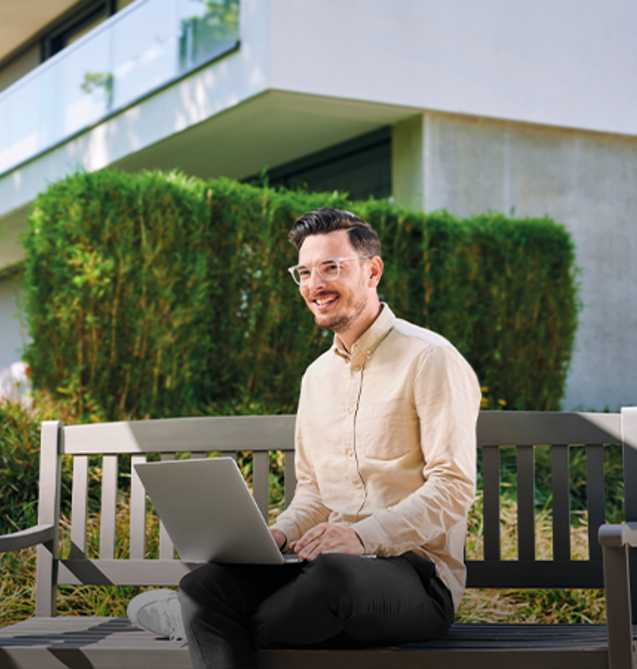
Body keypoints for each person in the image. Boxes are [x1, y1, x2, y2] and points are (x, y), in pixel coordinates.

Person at [128, 208, 480, 668]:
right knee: (203, 586)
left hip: (413, 577)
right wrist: (278, 532)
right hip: (317, 572)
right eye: (305, 271)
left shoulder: (430, 358)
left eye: (332, 267)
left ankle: (193, 623)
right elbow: (314, 493)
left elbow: (453, 487)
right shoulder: (316, 378)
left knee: (329, 580)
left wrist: (362, 536)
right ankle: (200, 613)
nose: (315, 284)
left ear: (372, 270)